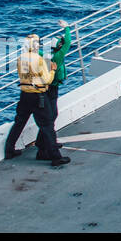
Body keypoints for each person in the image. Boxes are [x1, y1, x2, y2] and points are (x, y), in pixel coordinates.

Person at [2, 34, 68, 167]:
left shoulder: (21, 58)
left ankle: (9, 150)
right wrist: (53, 71)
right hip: (38, 96)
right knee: (47, 125)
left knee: (19, 123)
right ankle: (55, 157)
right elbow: (47, 79)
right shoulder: (38, 59)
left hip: (24, 95)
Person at [48, 20, 71, 149]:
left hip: (47, 86)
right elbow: (68, 42)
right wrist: (67, 28)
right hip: (52, 86)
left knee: (50, 114)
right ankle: (48, 141)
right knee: (52, 115)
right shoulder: (58, 56)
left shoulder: (47, 54)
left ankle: (46, 140)